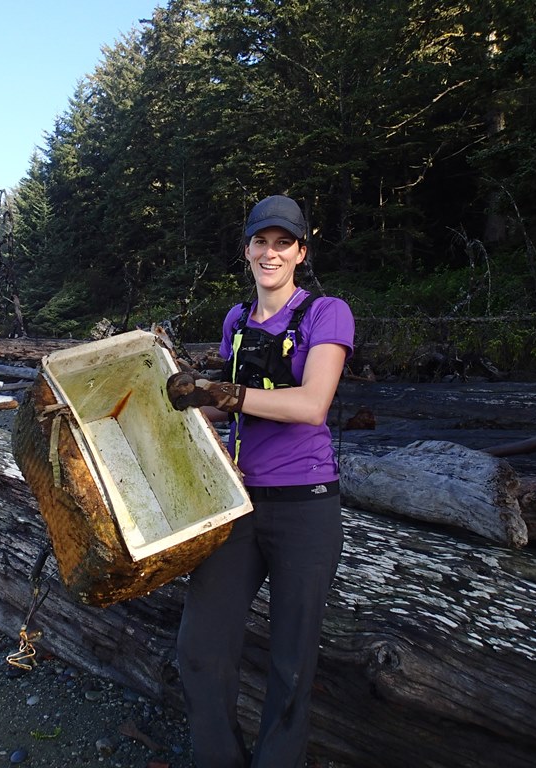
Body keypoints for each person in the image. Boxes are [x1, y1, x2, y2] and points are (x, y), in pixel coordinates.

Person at [165, 194, 355, 768]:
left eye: (282, 243)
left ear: (301, 250)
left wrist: (227, 393)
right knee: (200, 649)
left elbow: (312, 405)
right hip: (237, 503)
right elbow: (229, 410)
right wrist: (178, 400)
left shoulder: (326, 313)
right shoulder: (236, 321)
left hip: (306, 506)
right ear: (246, 249)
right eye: (260, 242)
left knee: (291, 662)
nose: (270, 252)